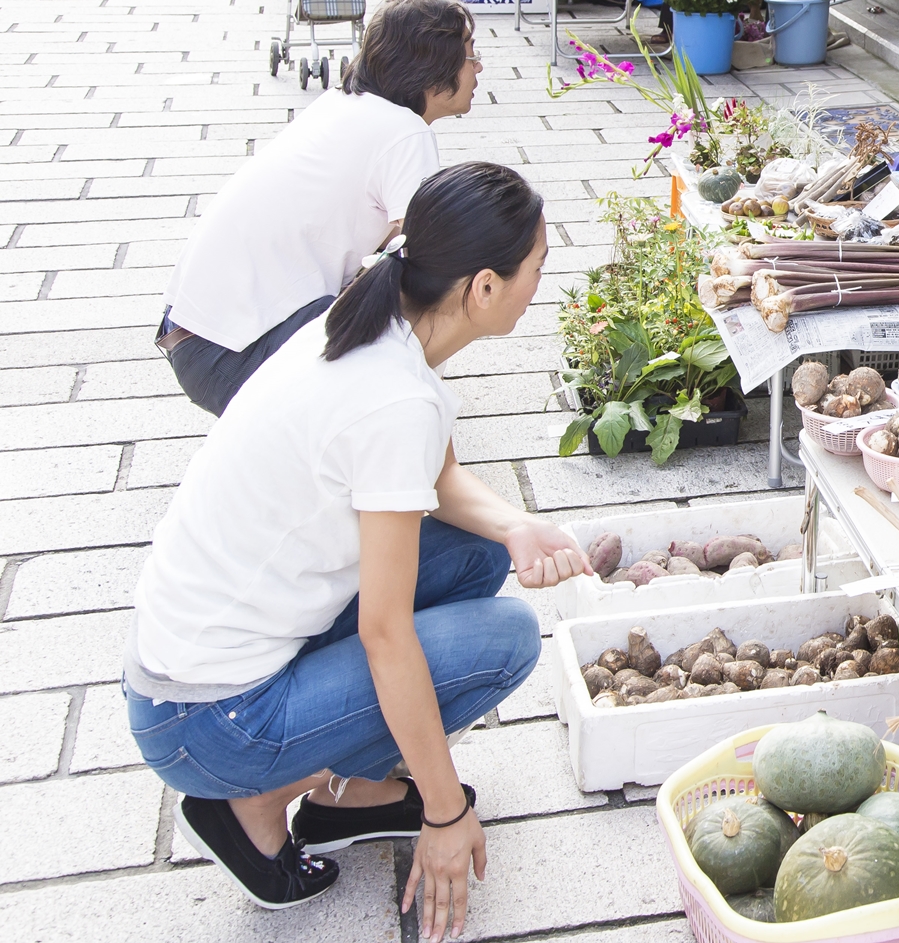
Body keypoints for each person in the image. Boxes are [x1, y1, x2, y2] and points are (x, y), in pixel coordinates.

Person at [126, 162, 587, 935]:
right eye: (536, 267)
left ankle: (355, 794)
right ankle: (252, 800)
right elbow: (384, 632)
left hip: (192, 663)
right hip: (205, 720)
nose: (539, 283)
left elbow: (434, 483)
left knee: (480, 557)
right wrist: (444, 813)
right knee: (505, 640)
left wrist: (516, 527)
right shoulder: (396, 398)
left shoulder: (369, 317)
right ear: (482, 288)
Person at [158, 0, 480, 416]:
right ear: (432, 70)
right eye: (469, 54)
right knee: (439, 283)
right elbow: (425, 261)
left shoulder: (345, 105)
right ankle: (399, 418)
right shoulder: (405, 132)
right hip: (232, 355)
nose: (478, 67)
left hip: (198, 336)